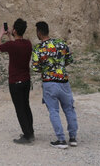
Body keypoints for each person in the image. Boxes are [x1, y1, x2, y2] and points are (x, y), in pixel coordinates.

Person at [32, 21, 78, 149]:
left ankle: (61, 140)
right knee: (69, 109)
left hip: (49, 83)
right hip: (64, 81)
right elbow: (69, 60)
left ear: (39, 32)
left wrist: (47, 71)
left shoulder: (38, 49)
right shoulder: (61, 44)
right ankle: (73, 138)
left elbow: (35, 67)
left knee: (53, 111)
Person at [0, 18, 34, 144]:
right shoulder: (27, 44)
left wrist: (1, 35)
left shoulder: (13, 45)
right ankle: (30, 132)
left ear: (15, 30)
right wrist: (10, 37)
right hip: (26, 81)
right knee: (26, 106)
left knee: (20, 109)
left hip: (15, 82)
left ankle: (27, 136)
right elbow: (15, 46)